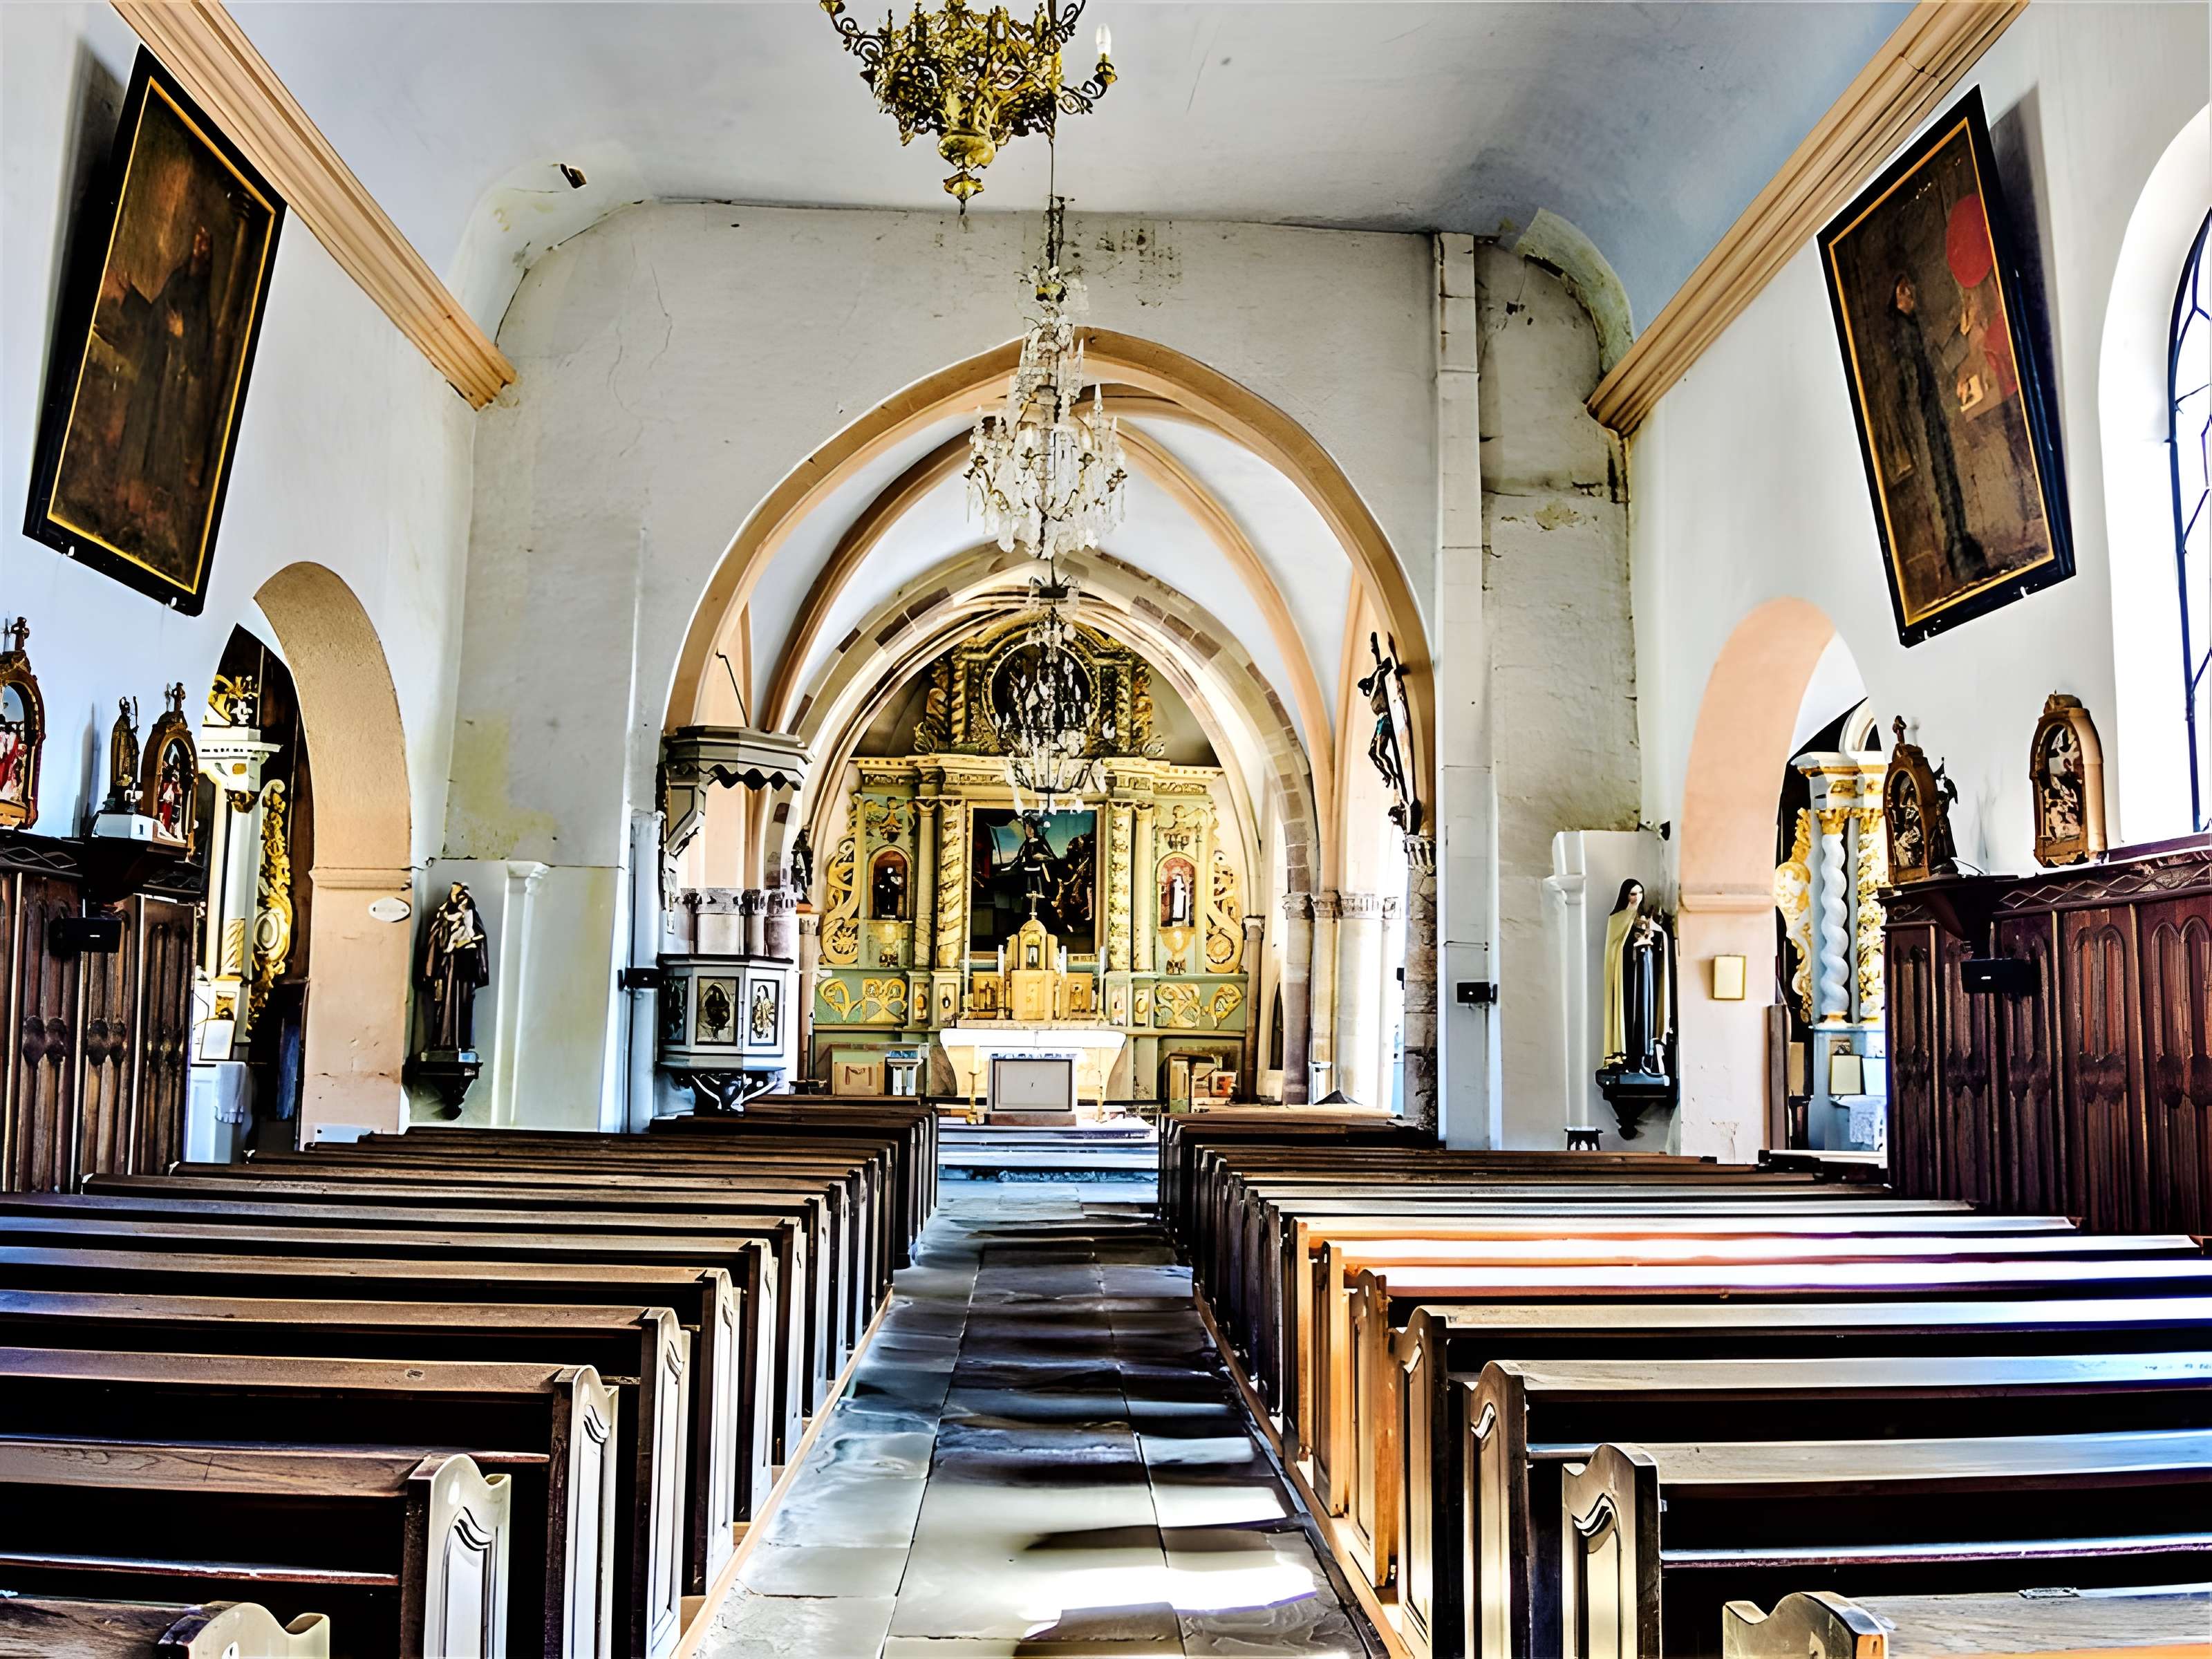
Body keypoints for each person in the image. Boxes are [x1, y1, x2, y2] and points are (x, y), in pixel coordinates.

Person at [1886, 272, 1987, 590]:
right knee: (1940, 486)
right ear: (1895, 299)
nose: (1908, 294)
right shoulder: (1898, 336)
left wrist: (1962, 332)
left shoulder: (1920, 325)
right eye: (1902, 291)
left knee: (1952, 481)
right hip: (1923, 421)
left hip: (1938, 413)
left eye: (1908, 288)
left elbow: (1939, 362)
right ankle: (1957, 555)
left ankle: (1966, 551)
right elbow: (1903, 387)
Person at [417, 883, 491, 1053]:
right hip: (447, 968)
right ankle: (443, 1042)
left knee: (465, 1004)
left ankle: (462, 1043)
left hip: (466, 969)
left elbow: (480, 939)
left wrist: (470, 941)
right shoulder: (444, 917)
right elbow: (435, 943)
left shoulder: (472, 917)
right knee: (444, 1005)